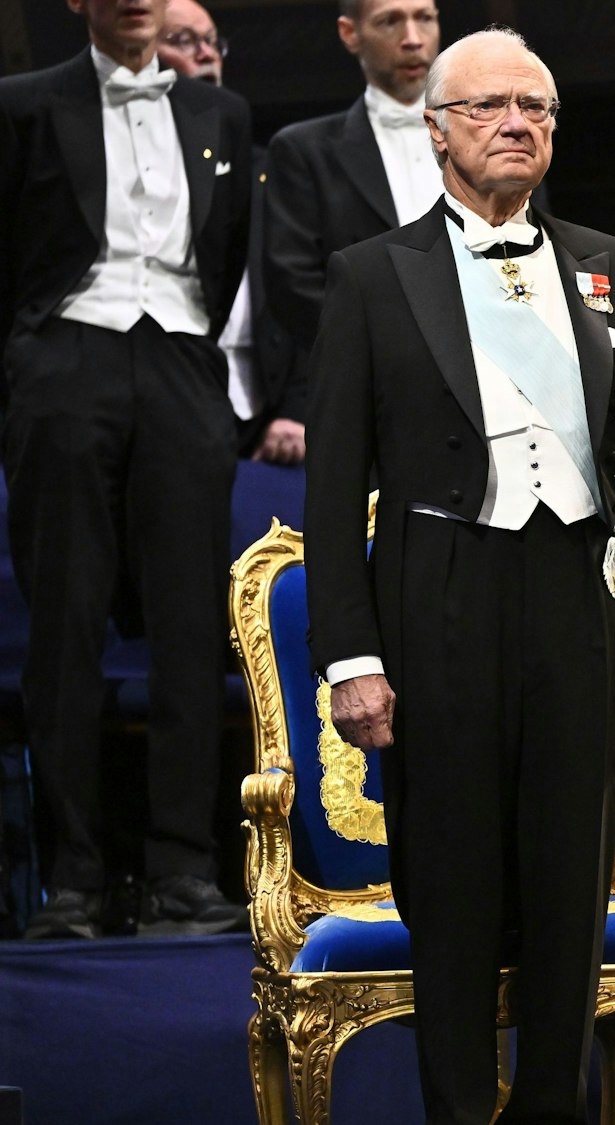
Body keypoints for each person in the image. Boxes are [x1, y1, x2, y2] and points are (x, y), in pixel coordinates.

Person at [304, 27, 615, 1123]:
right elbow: (333, 494)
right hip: (439, 589)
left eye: (535, 108)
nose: (517, 125)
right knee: (450, 884)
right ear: (437, 132)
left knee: (569, 885)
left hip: (582, 595)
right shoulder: (370, 276)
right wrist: (351, 655)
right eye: (489, 108)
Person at [0, 0, 252, 940]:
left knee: (190, 623)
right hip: (66, 354)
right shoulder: (24, 103)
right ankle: (74, 876)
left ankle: (185, 868)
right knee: (65, 620)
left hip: (182, 360)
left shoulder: (221, 113)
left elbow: (223, 254)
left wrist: (187, 354)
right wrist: (27, 364)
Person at [264, 0, 445, 466]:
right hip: (363, 398)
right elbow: (291, 284)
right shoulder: (305, 151)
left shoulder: (493, 140)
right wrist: (395, 344)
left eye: (424, 17)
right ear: (350, 33)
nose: (412, 37)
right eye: (390, 20)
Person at [157, 0, 291, 460]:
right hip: (166, 410)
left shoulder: (272, 173)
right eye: (183, 40)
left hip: (268, 417)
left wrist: (298, 408)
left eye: (213, 42)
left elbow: (313, 298)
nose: (206, 54)